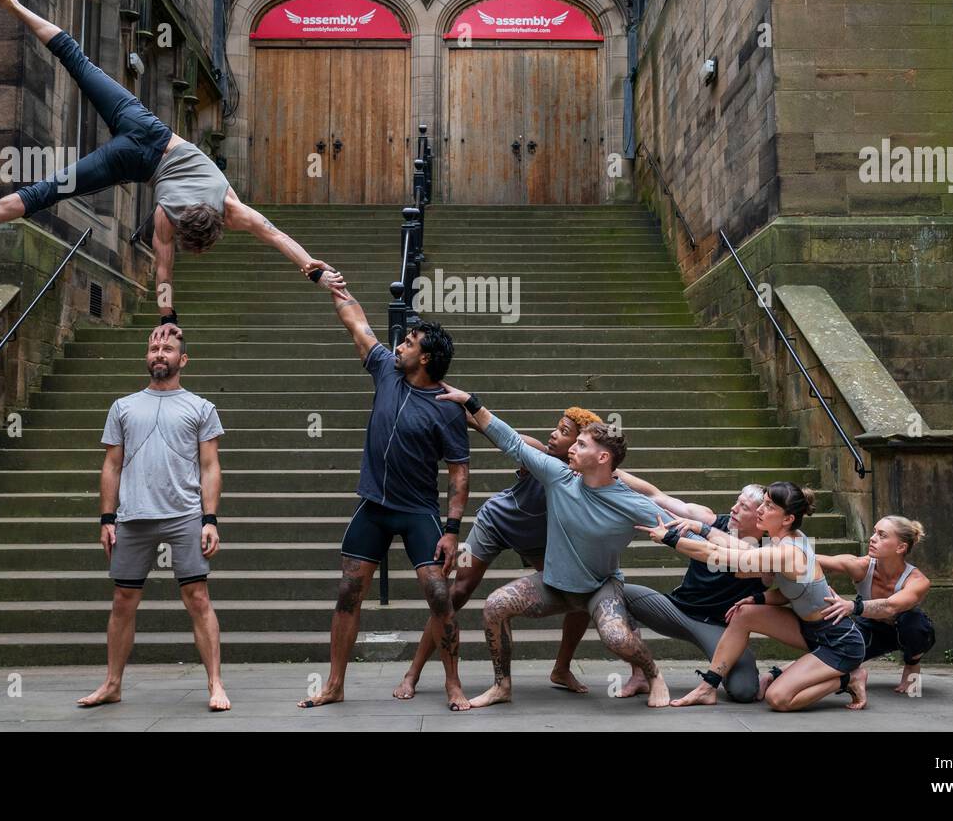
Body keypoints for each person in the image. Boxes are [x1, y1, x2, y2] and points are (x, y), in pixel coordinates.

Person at [0, 0, 346, 330]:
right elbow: (168, 272)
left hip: (145, 130)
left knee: (77, 60)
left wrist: (314, 269)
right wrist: (167, 317)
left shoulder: (220, 207)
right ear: (206, 226)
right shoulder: (198, 214)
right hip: (131, 160)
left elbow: (281, 239)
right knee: (44, 192)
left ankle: (12, 4)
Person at [392, 408, 714, 700]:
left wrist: (699, 520)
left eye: (566, 433)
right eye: (559, 430)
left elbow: (645, 494)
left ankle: (568, 668)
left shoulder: (595, 475)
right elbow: (495, 431)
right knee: (459, 592)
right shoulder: (541, 456)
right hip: (498, 522)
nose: (556, 436)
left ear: (592, 450)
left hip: (542, 538)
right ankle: (414, 672)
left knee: (582, 588)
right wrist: (452, 407)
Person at [435, 384, 676, 708]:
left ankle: (653, 674)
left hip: (599, 588)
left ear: (602, 457)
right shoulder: (558, 476)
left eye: (580, 443)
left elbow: (679, 526)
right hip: (555, 585)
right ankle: (501, 685)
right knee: (494, 607)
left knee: (617, 637)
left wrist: (725, 542)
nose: (571, 447)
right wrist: (471, 402)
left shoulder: (629, 503)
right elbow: (512, 442)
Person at [298, 287, 471, 711]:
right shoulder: (386, 369)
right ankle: (335, 684)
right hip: (374, 506)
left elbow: (458, 472)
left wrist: (451, 532)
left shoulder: (447, 407)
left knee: (439, 595)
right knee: (347, 592)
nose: (400, 345)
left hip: (418, 511)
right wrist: (334, 286)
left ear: (425, 358)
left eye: (410, 343)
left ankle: (453, 684)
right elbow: (356, 323)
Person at [77, 325, 229, 712]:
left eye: (168, 348)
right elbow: (111, 465)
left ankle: (215, 684)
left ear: (183, 359)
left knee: (197, 597)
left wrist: (209, 519)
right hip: (133, 517)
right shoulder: (123, 406)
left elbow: (210, 466)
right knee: (123, 600)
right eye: (154, 348)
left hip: (184, 514)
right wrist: (106, 519)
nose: (159, 353)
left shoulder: (200, 407)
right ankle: (112, 684)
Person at [651, 480, 866, 712]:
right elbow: (756, 561)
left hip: (839, 642)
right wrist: (758, 599)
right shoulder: (784, 538)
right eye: (763, 503)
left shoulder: (787, 552)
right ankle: (708, 686)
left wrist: (669, 538)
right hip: (808, 628)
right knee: (744, 613)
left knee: (778, 699)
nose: (761, 510)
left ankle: (848, 679)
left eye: (770, 506)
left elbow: (718, 555)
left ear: (787, 519)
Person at [618, 485, 769, 703]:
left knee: (744, 691)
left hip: (720, 630)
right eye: (737, 501)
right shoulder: (711, 519)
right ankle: (640, 675)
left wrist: (698, 531)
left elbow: (743, 555)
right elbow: (656, 495)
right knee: (612, 592)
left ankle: (770, 676)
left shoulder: (771, 550)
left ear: (760, 515)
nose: (734, 508)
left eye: (743, 506)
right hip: (676, 611)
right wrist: (612, 471)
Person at [815, 515, 935, 708]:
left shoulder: (918, 580)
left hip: (903, 628)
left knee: (915, 624)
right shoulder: (861, 566)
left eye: (882, 535)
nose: (872, 538)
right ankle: (854, 675)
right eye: (874, 532)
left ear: (900, 548)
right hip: (870, 628)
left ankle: (912, 663)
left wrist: (853, 606)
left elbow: (890, 607)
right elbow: (815, 559)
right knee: (836, 656)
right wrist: (770, 555)